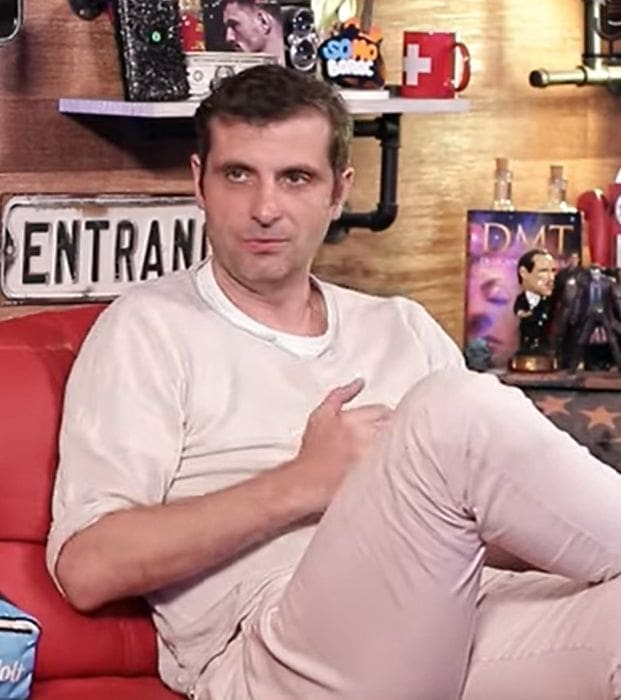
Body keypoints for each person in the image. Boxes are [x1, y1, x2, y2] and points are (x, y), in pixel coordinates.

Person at [47, 65, 621, 700]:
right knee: (452, 408)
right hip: (279, 652)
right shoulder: (148, 328)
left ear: (338, 192)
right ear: (199, 182)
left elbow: (502, 523)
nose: (265, 209)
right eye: (238, 175)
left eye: (295, 178)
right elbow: (88, 568)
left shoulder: (401, 327)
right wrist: (306, 481)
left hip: (456, 615)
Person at [512, 248, 556, 355]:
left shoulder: (552, 302)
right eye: (543, 271)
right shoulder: (522, 298)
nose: (551, 278)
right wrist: (523, 313)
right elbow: (518, 309)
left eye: (553, 271)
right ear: (524, 272)